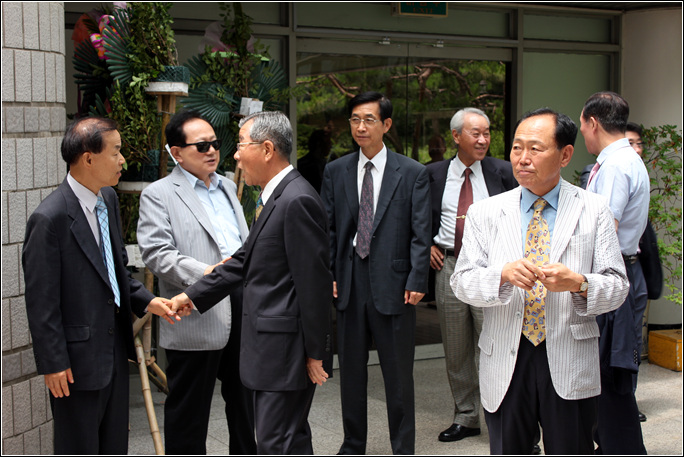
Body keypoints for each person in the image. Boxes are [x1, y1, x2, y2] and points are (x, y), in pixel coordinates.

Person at [451, 108, 630, 454]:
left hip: (568, 354)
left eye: (535, 148)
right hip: (506, 355)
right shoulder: (485, 212)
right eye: (517, 147)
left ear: (565, 155)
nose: (523, 158)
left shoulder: (594, 209)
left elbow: (618, 286)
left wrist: (579, 283)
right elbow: (462, 282)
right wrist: (501, 275)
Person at [169, 110, 333, 455]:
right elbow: (244, 260)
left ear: (267, 149)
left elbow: (314, 285)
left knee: (276, 443)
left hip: (286, 352)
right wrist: (193, 296)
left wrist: (316, 352)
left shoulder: (297, 199)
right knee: (291, 440)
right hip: (273, 351)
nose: (235, 155)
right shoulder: (275, 196)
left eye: (242, 144)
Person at [22, 117, 180, 455]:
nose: (123, 160)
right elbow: (41, 301)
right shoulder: (49, 219)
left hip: (113, 354)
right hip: (74, 365)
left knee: (114, 446)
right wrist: (53, 362)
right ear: (88, 158)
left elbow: (115, 270)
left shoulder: (107, 199)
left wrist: (148, 301)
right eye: (116, 152)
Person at [137, 110, 256, 454]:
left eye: (215, 144)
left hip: (242, 306)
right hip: (195, 311)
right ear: (176, 152)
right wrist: (208, 274)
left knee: (246, 408)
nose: (212, 151)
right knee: (188, 417)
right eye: (202, 146)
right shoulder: (158, 194)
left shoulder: (228, 187)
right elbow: (157, 253)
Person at [320, 91, 432, 455]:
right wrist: (330, 272)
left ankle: (403, 447)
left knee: (398, 375)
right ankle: (353, 444)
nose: (361, 127)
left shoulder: (412, 172)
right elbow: (329, 230)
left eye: (369, 119)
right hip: (350, 281)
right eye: (355, 120)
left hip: (395, 284)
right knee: (351, 372)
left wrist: (417, 278)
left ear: (386, 124)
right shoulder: (336, 171)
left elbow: (420, 232)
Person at [426, 107, 518, 443]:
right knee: (456, 348)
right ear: (456, 136)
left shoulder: (502, 172)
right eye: (475, 133)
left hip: (491, 269)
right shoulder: (434, 174)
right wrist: (426, 245)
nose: (483, 140)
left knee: (494, 344)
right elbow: (418, 216)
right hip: (449, 266)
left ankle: (506, 420)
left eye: (487, 133)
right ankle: (466, 416)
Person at [581, 92, 650, 454]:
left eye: (582, 125)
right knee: (610, 376)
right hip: (623, 271)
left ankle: (620, 448)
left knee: (610, 377)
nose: (582, 133)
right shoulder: (626, 159)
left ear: (593, 123)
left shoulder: (615, 166)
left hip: (612, 276)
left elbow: (605, 230)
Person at [299, 128, 332, 193]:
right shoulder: (305, 166)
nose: (330, 146)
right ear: (319, 144)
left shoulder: (324, 164)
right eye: (328, 142)